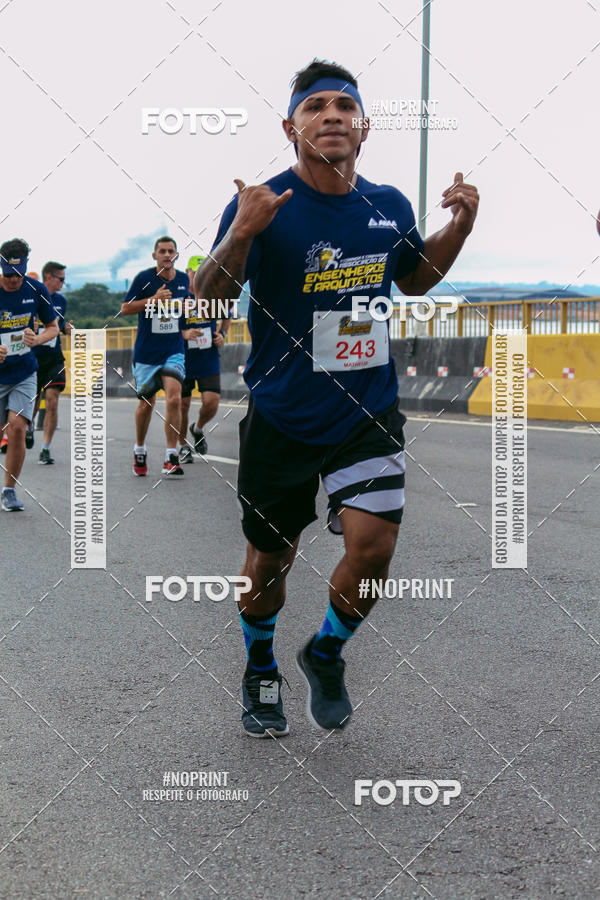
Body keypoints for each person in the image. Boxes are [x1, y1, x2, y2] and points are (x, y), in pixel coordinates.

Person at [196, 59, 479, 737]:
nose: (331, 115)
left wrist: (460, 230)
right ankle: (261, 667)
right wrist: (242, 232)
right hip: (283, 412)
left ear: (364, 126)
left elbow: (412, 280)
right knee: (270, 561)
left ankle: (325, 652)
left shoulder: (387, 204)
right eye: (315, 105)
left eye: (343, 106)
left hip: (366, 410)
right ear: (291, 125)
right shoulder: (261, 203)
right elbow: (208, 298)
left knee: (374, 547)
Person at [121, 236, 204, 476]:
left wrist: (189, 323)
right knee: (146, 404)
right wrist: (152, 301)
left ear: (176, 255)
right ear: (155, 255)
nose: (167, 255)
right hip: (147, 354)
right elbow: (125, 308)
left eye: (171, 251)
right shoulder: (144, 278)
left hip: (174, 351)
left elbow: (188, 307)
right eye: (162, 251)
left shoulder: (181, 280)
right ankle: (140, 448)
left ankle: (170, 455)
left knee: (174, 398)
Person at [0, 238, 59, 510]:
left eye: (19, 274)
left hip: (24, 372)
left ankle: (9, 491)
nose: (14, 281)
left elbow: (53, 327)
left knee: (18, 428)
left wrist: (37, 339)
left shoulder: (36, 289)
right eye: (9, 275)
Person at [178, 254, 231, 463]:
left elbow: (226, 315)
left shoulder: (212, 295)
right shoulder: (179, 297)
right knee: (182, 405)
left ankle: (197, 429)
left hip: (208, 357)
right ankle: (182, 446)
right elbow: (165, 324)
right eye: (195, 273)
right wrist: (184, 334)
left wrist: (222, 334)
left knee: (211, 403)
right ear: (187, 273)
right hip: (182, 358)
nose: (199, 277)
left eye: (203, 273)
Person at [32, 261, 73, 464]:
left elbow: (59, 323)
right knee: (31, 402)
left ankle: (46, 449)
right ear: (48, 277)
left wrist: (66, 328)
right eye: (61, 279)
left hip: (54, 358)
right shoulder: (31, 298)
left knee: (52, 400)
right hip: (32, 357)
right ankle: (28, 428)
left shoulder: (61, 301)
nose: (63, 283)